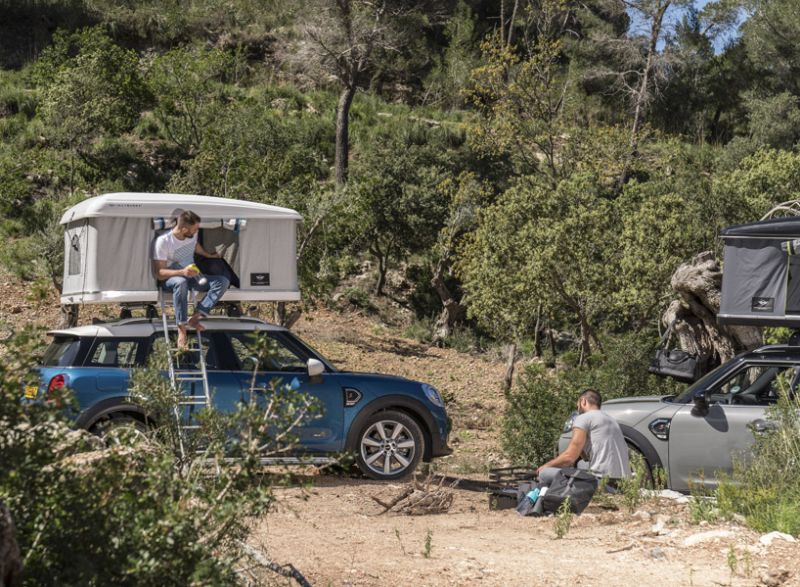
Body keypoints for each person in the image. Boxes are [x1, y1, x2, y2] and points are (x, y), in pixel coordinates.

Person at [152, 210, 230, 350]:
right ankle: (182, 330)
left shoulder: (191, 235)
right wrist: (182, 272)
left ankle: (195, 317)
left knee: (222, 281)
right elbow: (159, 273)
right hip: (170, 278)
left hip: (192, 275)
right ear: (183, 229)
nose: (196, 232)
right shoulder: (163, 242)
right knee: (180, 282)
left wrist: (208, 255)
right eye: (194, 229)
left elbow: (194, 245)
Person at [536, 389, 630, 490]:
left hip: (601, 482)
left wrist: (546, 465)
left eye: (578, 404)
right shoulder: (611, 420)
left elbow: (569, 458)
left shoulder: (583, 418)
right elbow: (587, 457)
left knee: (544, 473)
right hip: (623, 484)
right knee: (581, 464)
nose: (577, 407)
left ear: (583, 401)